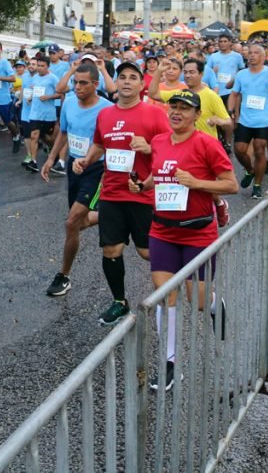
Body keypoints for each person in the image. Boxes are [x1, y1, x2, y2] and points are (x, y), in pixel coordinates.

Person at [128, 91, 237, 391]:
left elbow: (231, 184)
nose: (176, 112)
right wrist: (142, 185)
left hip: (198, 232)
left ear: (196, 115)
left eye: (184, 109)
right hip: (163, 231)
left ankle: (215, 304)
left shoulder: (207, 144)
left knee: (197, 300)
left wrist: (196, 182)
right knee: (166, 296)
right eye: (173, 107)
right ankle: (170, 363)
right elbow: (157, 175)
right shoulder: (160, 141)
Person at [65, 62, 170, 326]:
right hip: (112, 191)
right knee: (111, 249)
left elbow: (171, 149)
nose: (126, 81)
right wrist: (87, 160)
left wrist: (148, 148)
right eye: (121, 77)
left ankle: (177, 278)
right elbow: (100, 143)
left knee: (146, 252)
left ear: (141, 85)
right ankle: (119, 302)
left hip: (142, 192)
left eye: (133, 77)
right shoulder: (106, 115)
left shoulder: (154, 114)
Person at [41, 62, 112, 294]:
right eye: (75, 82)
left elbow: (108, 143)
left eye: (83, 83)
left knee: (71, 222)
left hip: (97, 170)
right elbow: (63, 131)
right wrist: (51, 159)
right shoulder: (69, 102)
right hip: (74, 166)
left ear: (95, 84)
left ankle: (63, 276)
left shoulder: (107, 109)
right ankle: (110, 214)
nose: (78, 87)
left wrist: (89, 160)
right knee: (77, 224)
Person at [228, 44, 268, 199]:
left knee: (259, 149)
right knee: (239, 149)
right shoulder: (242, 74)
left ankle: (257, 185)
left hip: (264, 120)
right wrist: (230, 111)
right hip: (245, 120)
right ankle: (250, 170)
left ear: (263, 57)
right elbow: (234, 94)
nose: (251, 55)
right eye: (250, 53)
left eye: (255, 53)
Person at [24, 54, 61, 173]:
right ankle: (33, 162)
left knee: (46, 137)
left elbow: (60, 93)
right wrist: (30, 98)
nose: (39, 68)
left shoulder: (53, 78)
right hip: (35, 112)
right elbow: (35, 90)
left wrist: (49, 97)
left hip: (48, 114)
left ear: (47, 66)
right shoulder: (35, 77)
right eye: (38, 66)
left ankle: (55, 151)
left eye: (42, 66)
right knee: (34, 135)